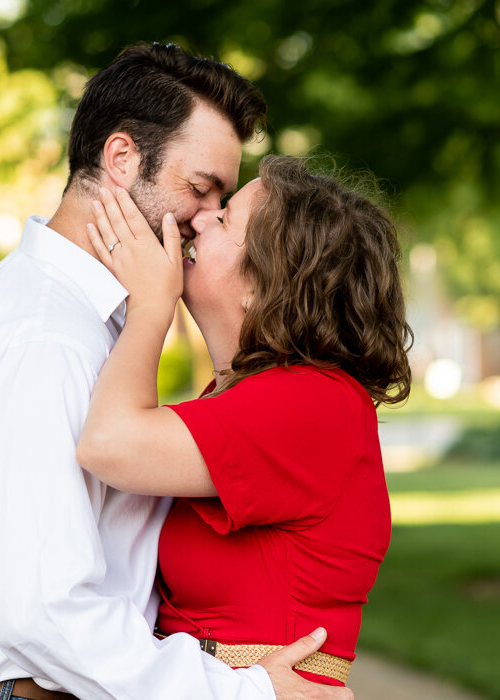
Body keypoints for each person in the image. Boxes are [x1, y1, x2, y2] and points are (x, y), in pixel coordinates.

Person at [0, 43, 352, 700]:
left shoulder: (98, 316)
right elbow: (44, 613)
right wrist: (244, 693)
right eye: (200, 190)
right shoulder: (45, 334)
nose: (207, 220)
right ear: (120, 159)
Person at [78, 155, 413, 688]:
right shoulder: (256, 395)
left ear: (262, 282)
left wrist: (149, 308)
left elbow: (110, 443)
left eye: (226, 218)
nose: (202, 218)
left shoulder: (307, 402)